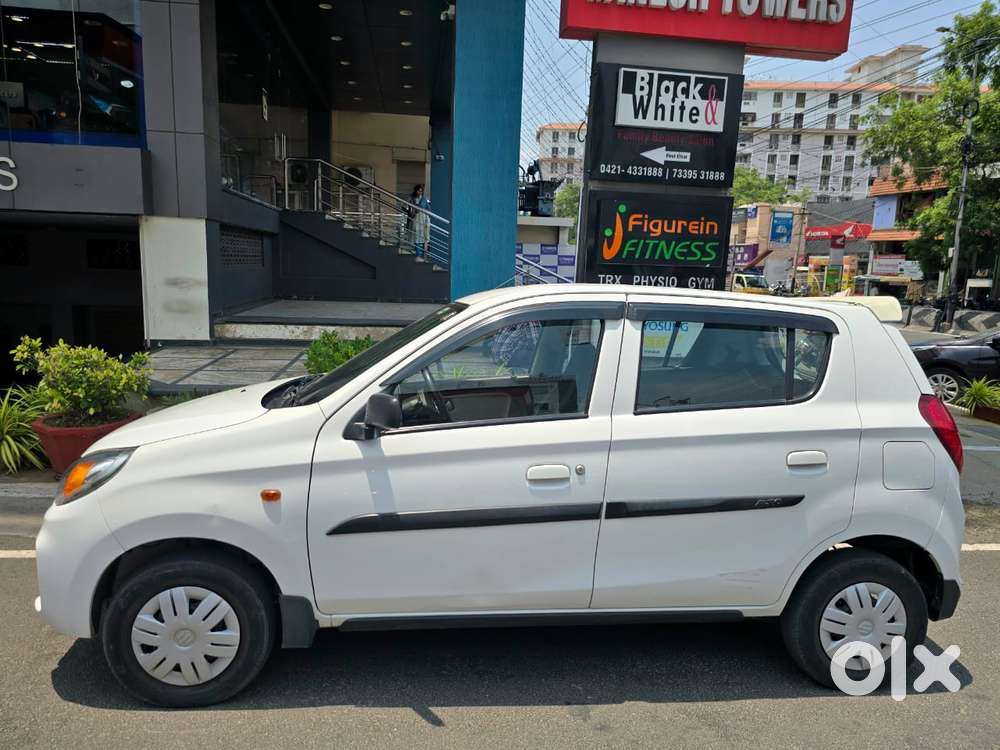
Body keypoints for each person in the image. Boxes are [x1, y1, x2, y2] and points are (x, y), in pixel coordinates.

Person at [409, 184, 431, 260]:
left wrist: (423, 211)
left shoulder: (424, 199)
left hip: (423, 218)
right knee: (416, 236)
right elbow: (410, 209)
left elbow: (429, 209)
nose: (420, 192)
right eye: (419, 191)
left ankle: (422, 254)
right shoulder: (412, 199)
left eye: (421, 191)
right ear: (416, 191)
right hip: (416, 219)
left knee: (423, 236)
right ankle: (418, 253)